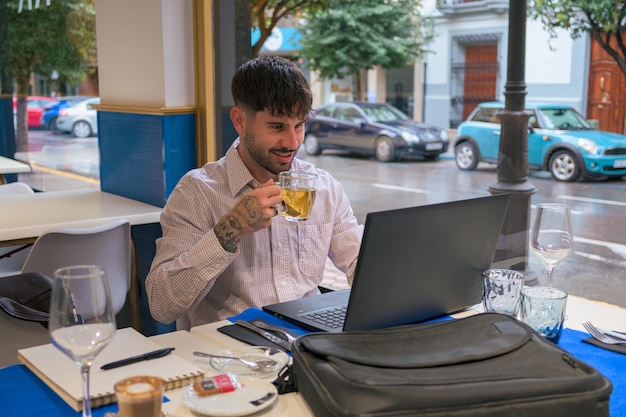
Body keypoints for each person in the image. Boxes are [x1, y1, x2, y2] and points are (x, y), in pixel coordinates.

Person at [146, 56, 363, 329]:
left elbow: (360, 263)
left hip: (308, 345)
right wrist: (229, 229)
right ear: (240, 121)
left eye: (299, 125)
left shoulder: (324, 187)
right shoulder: (197, 192)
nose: (292, 142)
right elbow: (161, 306)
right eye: (277, 126)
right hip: (230, 353)